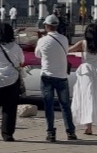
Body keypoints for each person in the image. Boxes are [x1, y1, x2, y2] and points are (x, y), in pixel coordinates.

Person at [34, 14, 76, 142]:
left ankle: (51, 133)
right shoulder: (64, 39)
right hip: (62, 76)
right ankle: (70, 132)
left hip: (47, 76)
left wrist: (40, 39)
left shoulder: (42, 41)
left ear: (46, 26)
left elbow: (37, 54)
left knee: (49, 105)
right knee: (65, 105)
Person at [69, 22, 97, 135]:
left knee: (87, 97)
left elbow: (68, 49)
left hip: (85, 71)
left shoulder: (83, 43)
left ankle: (88, 127)